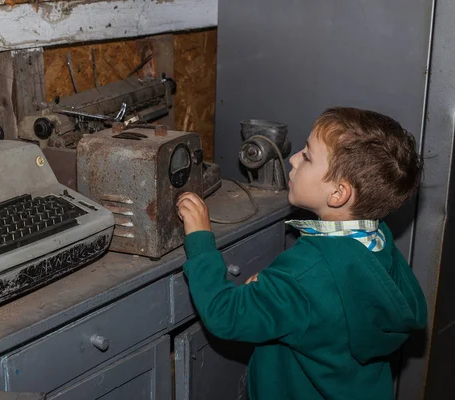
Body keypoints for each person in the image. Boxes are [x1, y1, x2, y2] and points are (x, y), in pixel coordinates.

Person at [176, 107, 427, 400]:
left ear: (338, 194)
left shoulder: (306, 275)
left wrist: (200, 239)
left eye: (307, 157)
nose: (293, 158)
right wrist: (279, 287)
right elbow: (331, 298)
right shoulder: (377, 237)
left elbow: (224, 315)